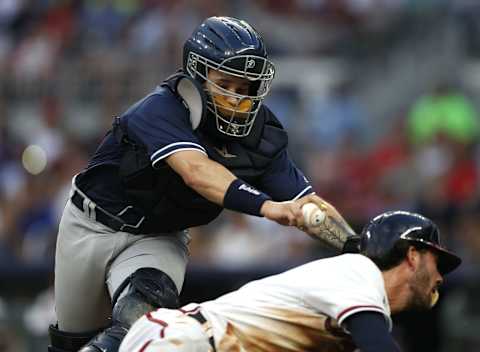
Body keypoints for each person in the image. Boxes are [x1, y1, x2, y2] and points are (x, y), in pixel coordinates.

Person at [48, 16, 356, 352]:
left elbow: (307, 205)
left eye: (246, 87)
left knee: (140, 319)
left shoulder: (261, 134)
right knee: (71, 342)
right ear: (197, 76)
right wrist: (267, 207)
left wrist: (356, 247)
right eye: (226, 83)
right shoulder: (159, 109)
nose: (237, 98)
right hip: (89, 225)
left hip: (158, 238)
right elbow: (196, 170)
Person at [118, 210, 462, 352]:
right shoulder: (358, 273)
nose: (440, 276)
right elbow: (379, 346)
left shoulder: (355, 312)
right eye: (437, 261)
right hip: (187, 340)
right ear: (413, 255)